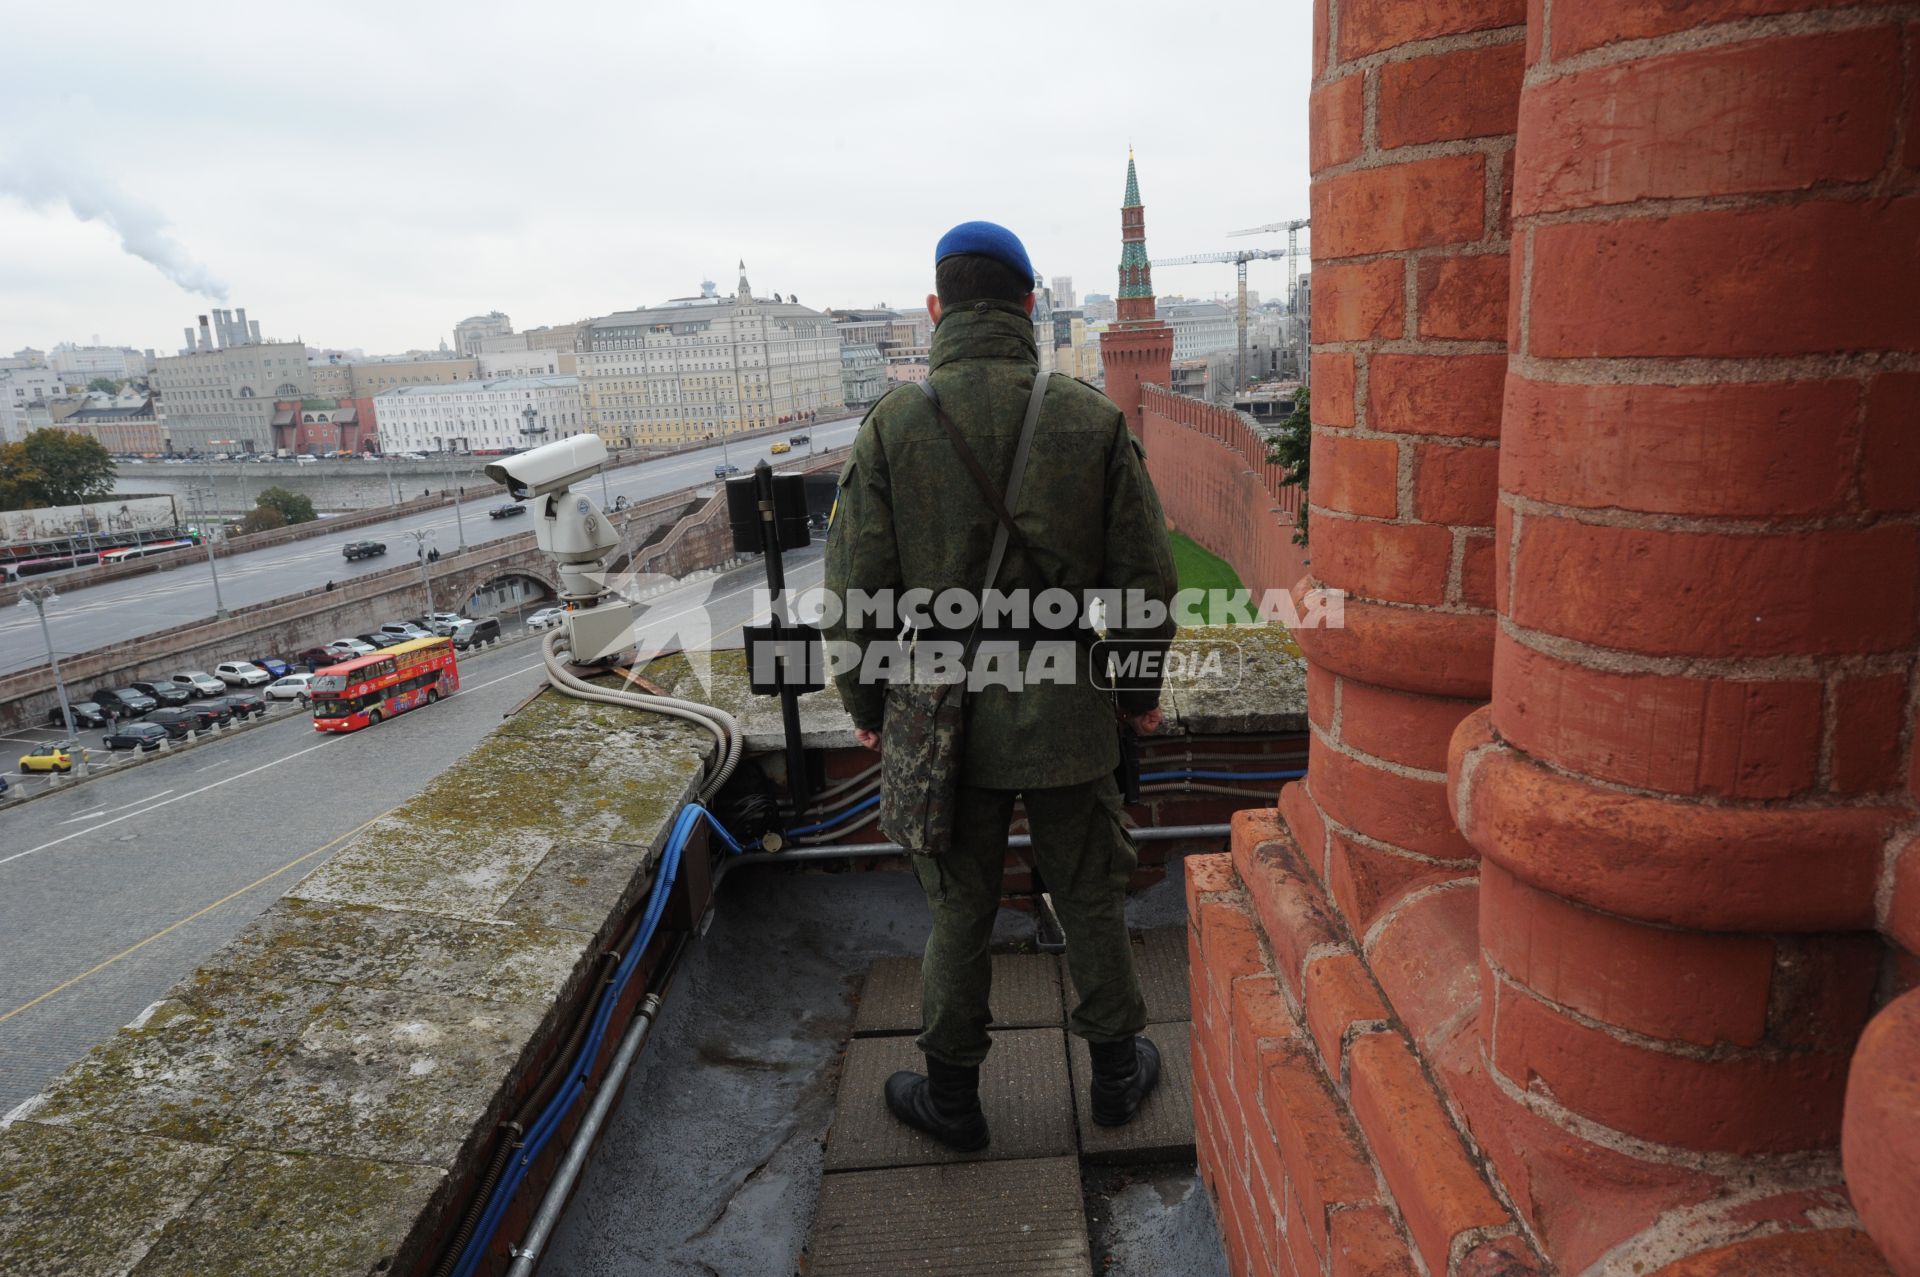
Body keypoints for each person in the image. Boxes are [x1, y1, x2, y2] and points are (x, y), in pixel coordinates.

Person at [824, 220, 1178, 1150]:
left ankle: (953, 1099)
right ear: (1030, 306)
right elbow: (1146, 581)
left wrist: (867, 705)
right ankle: (1113, 1078)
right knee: (1090, 893)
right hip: (1069, 701)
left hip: (944, 713)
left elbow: (857, 593)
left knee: (958, 909)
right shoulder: (1091, 419)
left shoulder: (893, 427)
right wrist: (1135, 692)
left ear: (936, 309)